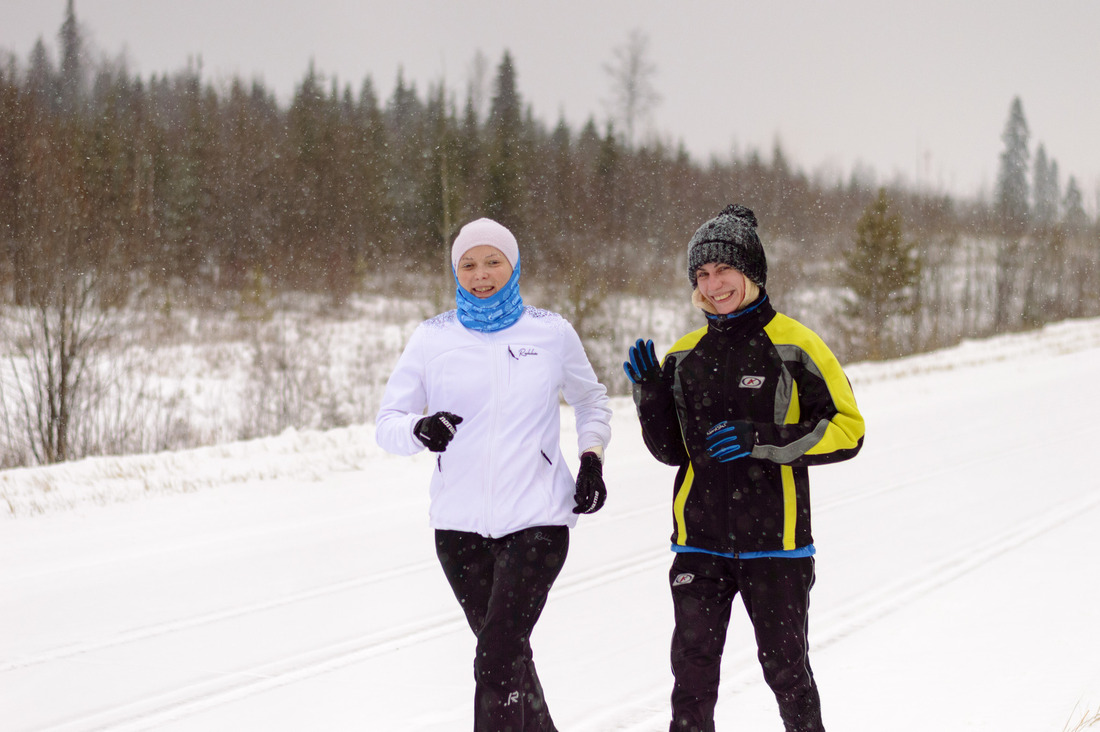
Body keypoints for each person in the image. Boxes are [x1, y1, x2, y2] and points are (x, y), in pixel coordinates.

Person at [624, 204, 865, 732]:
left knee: (785, 671)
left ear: (751, 273)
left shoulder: (797, 345)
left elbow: (849, 430)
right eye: (702, 275)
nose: (713, 285)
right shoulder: (684, 355)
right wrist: (650, 398)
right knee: (691, 677)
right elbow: (671, 452)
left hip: (775, 544)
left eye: (723, 271)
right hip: (699, 540)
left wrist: (763, 440)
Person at [375, 217, 612, 732]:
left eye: (492, 262)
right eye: (468, 265)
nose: (481, 275)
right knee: (508, 656)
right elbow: (387, 424)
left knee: (496, 659)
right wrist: (420, 430)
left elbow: (592, 400)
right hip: (458, 530)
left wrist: (591, 456)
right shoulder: (431, 338)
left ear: (514, 265)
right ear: (455, 271)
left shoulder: (550, 332)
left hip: (539, 520)